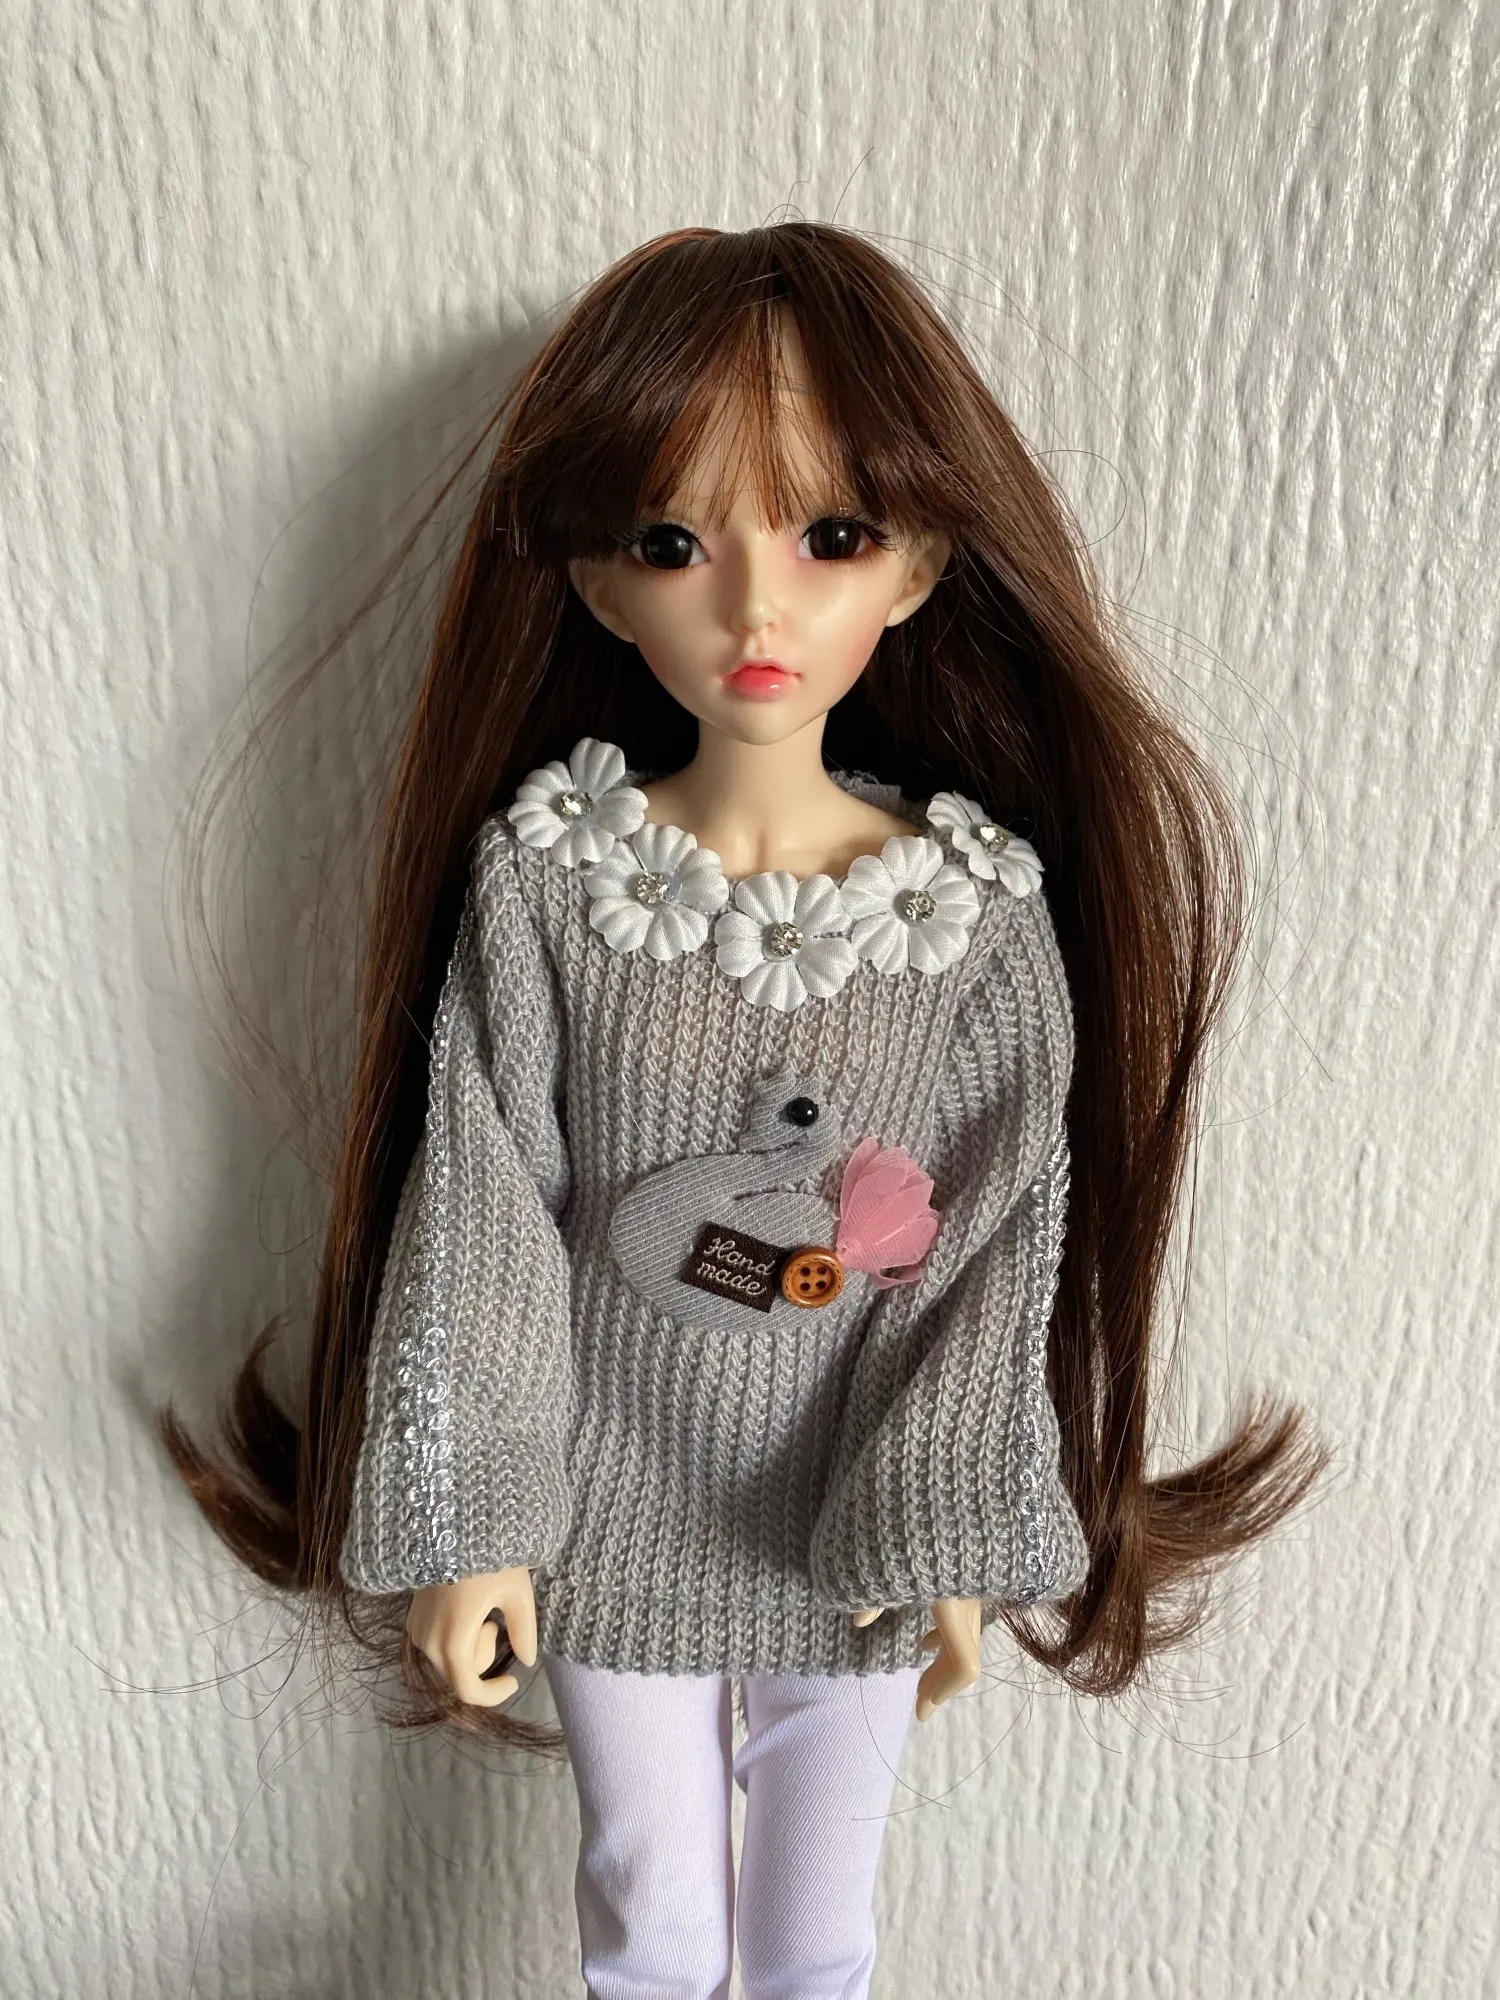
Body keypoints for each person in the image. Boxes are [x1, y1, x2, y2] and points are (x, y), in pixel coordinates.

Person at [161, 224, 1328, 1999]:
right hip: (606, 1521)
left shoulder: (970, 921)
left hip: (851, 1531)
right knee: (653, 1925)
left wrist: (945, 1526)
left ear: (920, 563)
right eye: (674, 543)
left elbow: (993, 1243)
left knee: (815, 1940)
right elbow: (483, 1208)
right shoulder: (554, 885)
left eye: (829, 536)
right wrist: (479, 1519)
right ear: (597, 581)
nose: (756, 611)